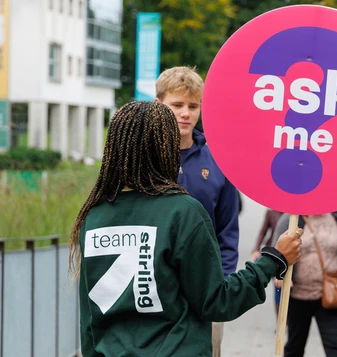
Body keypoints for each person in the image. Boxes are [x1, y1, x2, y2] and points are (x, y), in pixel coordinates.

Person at [69, 101, 303, 357]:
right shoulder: (182, 212)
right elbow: (216, 302)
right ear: (166, 148)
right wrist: (273, 260)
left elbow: (89, 318)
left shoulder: (93, 216)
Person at [154, 66, 240, 357]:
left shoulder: (218, 158)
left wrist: (224, 282)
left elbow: (227, 229)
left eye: (193, 106)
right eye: (177, 105)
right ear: (159, 105)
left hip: (207, 287)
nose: (186, 113)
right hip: (155, 287)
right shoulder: (142, 157)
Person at [273, 212, 337, 357]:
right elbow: (277, 250)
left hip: (330, 295)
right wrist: (281, 274)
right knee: (295, 346)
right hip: (298, 295)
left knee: (335, 347)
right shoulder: (291, 219)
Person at [252, 209, 284, 316]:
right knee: (277, 287)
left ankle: (286, 319)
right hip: (273, 252)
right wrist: (256, 249)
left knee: (283, 286)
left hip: (287, 253)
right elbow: (263, 231)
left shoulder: (294, 214)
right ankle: (279, 320)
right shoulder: (271, 212)